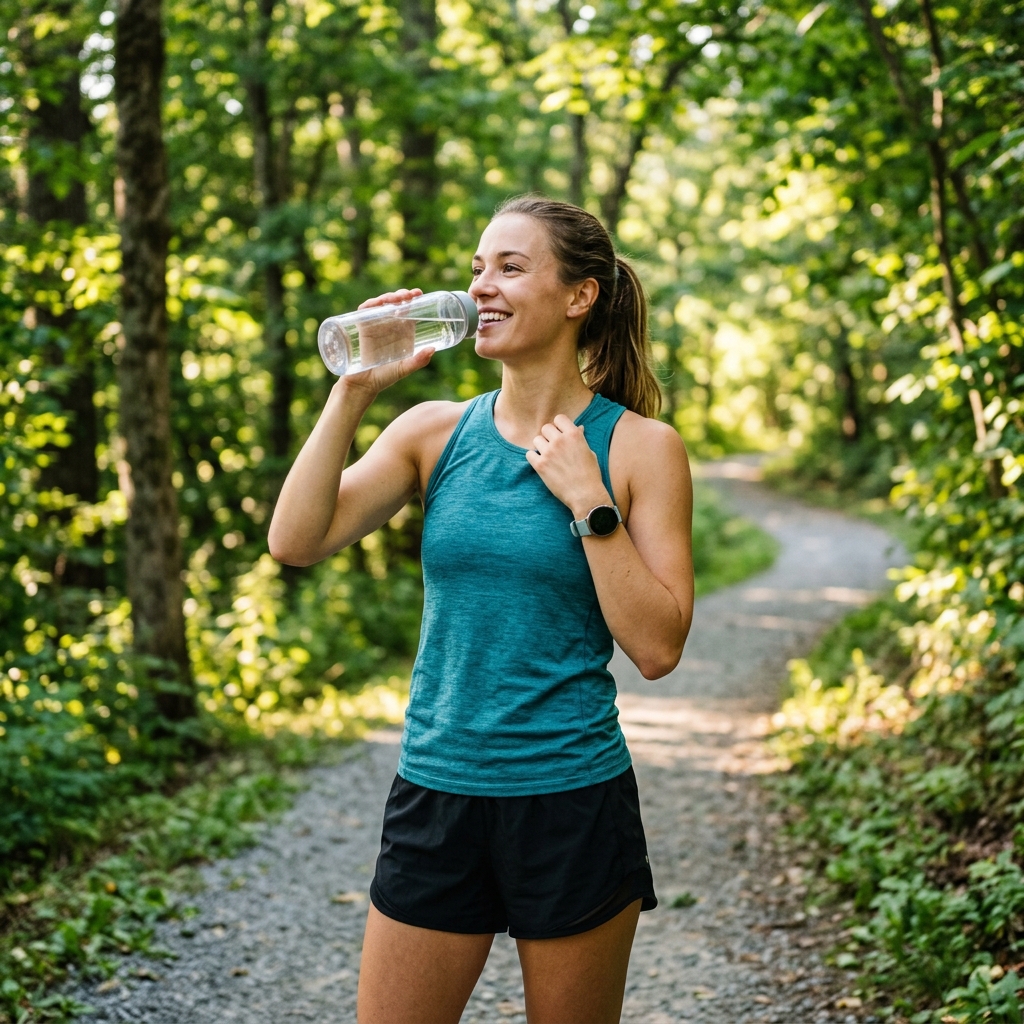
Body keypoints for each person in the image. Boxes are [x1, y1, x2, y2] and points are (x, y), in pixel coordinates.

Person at [268, 195, 695, 1024]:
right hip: (438, 788)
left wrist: (588, 502)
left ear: (580, 296)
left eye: (510, 267)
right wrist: (353, 392)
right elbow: (296, 540)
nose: (482, 288)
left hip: (571, 798)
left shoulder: (642, 447)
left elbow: (657, 647)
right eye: (476, 269)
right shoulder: (432, 431)